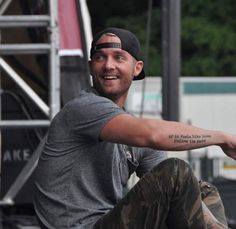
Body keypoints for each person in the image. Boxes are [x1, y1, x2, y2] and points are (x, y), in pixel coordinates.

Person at [33, 27, 236, 229]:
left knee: (203, 191)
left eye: (118, 58)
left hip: (110, 221)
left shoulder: (134, 132)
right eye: (100, 58)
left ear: (137, 68)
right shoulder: (83, 109)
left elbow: (172, 185)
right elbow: (155, 136)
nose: (108, 65)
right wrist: (222, 138)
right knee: (176, 171)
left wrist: (214, 226)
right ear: (90, 66)